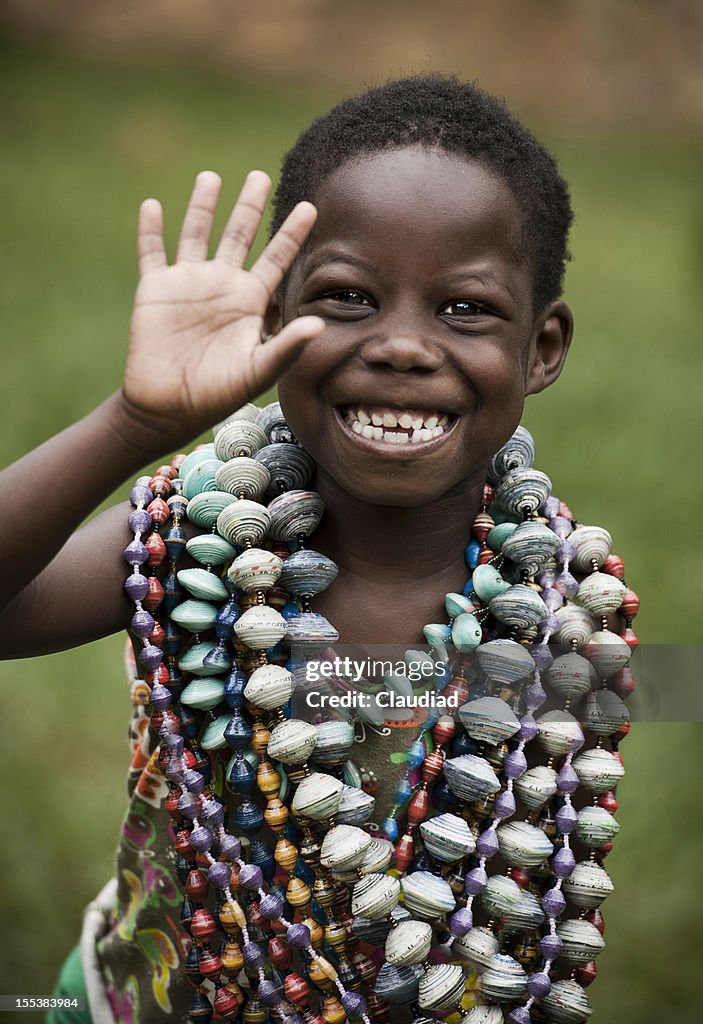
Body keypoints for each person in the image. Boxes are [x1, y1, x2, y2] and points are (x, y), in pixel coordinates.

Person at [1, 75, 630, 1024]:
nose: (402, 347)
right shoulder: (196, 543)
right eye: (348, 297)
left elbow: (584, 726)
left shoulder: (562, 604)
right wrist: (134, 423)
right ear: (268, 322)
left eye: (463, 309)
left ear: (542, 347)